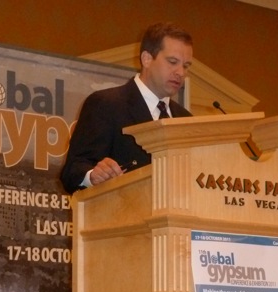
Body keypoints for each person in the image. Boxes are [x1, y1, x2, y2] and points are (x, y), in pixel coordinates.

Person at [59, 22, 193, 194]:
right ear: (146, 59)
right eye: (172, 62)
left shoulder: (186, 119)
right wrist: (92, 175)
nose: (180, 73)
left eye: (186, 66)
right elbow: (72, 171)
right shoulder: (106, 105)